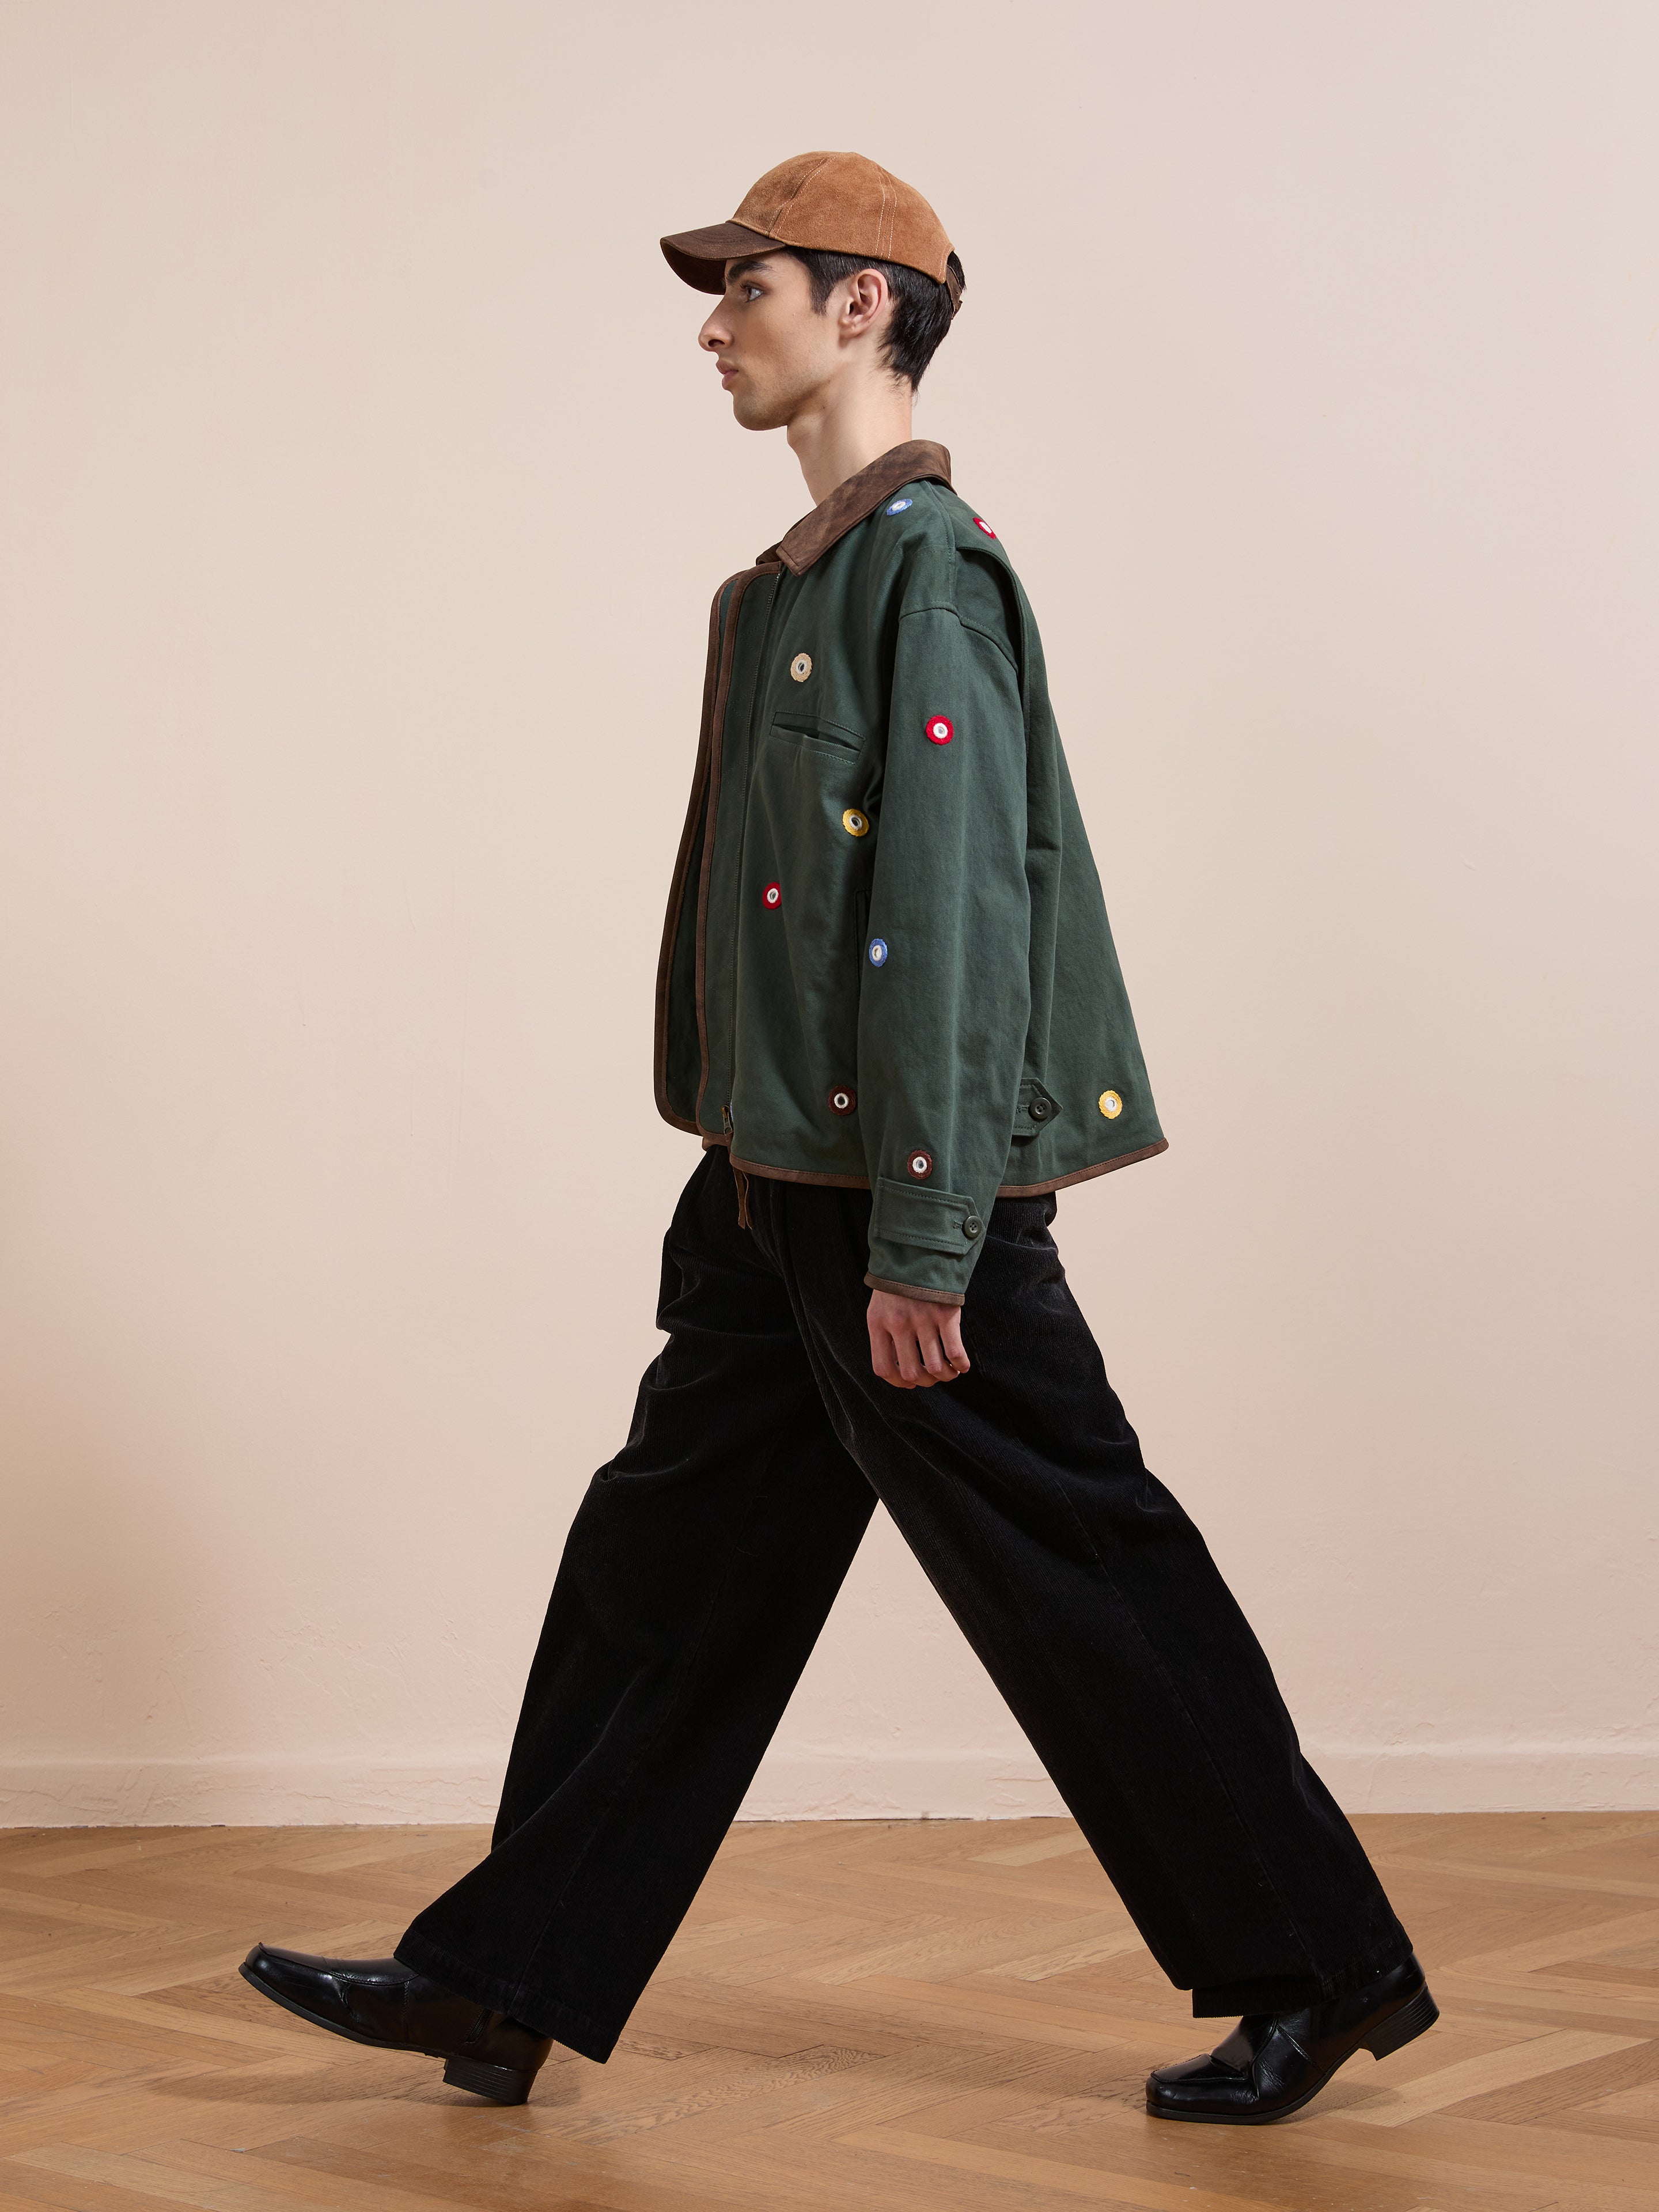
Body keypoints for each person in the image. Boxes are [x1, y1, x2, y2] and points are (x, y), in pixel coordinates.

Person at [241, 151, 1437, 2124]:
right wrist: (748, 1175)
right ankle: (503, 1974)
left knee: (1085, 1582)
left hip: (897, 1204)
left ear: (863, 305)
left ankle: (1321, 1970)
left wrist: (931, 1239)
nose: (717, 324)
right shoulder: (787, 589)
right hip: (765, 1190)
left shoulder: (929, 571)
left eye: (751, 286)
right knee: (660, 1574)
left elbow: (960, 918)